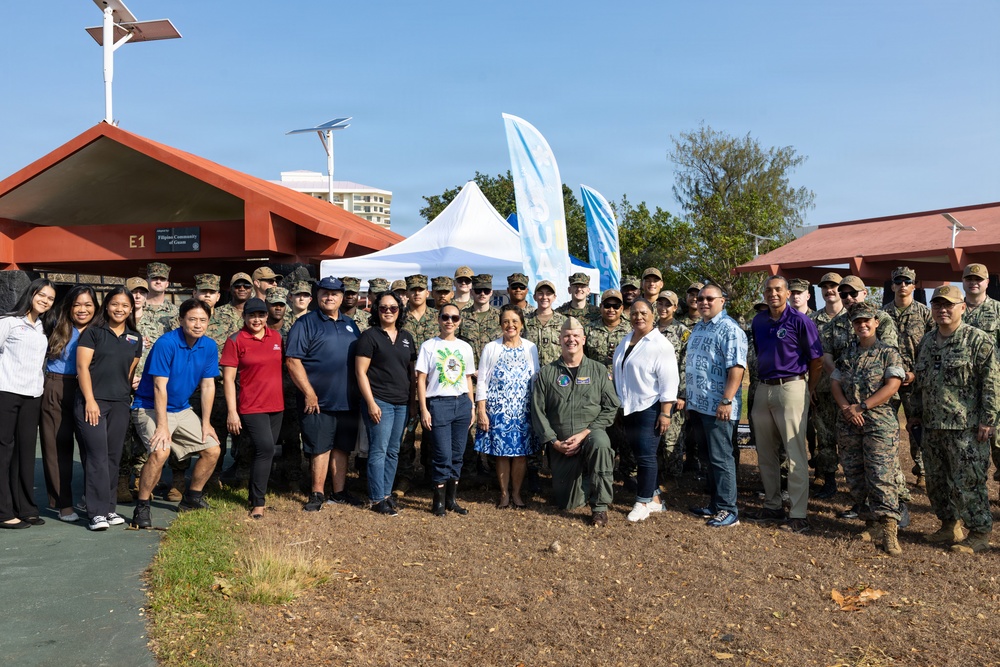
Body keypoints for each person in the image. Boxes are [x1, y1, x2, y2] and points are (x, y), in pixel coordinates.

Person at [909, 285, 1000, 554]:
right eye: (937, 305)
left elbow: (992, 383)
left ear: (962, 307)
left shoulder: (978, 340)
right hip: (933, 425)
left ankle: (980, 532)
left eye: (949, 305)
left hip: (966, 427)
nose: (942, 309)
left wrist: (988, 420)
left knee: (968, 482)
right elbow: (919, 383)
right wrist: (914, 413)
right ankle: (949, 524)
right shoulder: (926, 341)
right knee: (937, 482)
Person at [129, 299, 222, 529]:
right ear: (181, 320)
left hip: (182, 408)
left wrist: (207, 423)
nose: (198, 325)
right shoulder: (166, 343)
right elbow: (160, 386)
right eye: (192, 319)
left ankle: (192, 499)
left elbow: (208, 386)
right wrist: (162, 426)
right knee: (161, 452)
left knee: (213, 449)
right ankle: (141, 507)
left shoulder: (209, 346)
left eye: (203, 320)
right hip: (150, 406)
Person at [745, 276, 824, 533]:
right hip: (763, 387)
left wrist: (808, 389)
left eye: (778, 289)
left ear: (787, 293)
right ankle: (773, 506)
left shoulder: (800, 321)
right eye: (768, 290)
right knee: (765, 453)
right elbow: (759, 352)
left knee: (794, 453)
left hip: (792, 386)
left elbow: (816, 360)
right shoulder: (758, 321)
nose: (773, 294)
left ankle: (799, 514)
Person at [829, 302, 905, 555]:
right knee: (855, 473)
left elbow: (892, 385)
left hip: (878, 422)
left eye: (866, 321)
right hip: (849, 422)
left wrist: (862, 406)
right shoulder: (848, 354)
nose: (862, 325)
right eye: (857, 322)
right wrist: (846, 409)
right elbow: (835, 382)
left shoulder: (888, 352)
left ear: (875, 322)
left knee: (881, 476)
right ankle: (871, 523)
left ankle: (889, 531)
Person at [815, 275, 899, 500]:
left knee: (882, 459)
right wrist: (844, 385)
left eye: (853, 293)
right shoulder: (834, 325)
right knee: (852, 455)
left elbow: (888, 356)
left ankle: (896, 504)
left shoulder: (881, 318)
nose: (848, 298)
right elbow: (829, 358)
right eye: (844, 294)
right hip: (844, 396)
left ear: (864, 293)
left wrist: (862, 400)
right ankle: (861, 505)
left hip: (876, 399)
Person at [531, 318, 621, 526]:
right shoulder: (547, 373)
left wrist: (585, 434)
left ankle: (599, 507)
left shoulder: (598, 370)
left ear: (583, 339)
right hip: (563, 443)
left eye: (575, 336)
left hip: (590, 434)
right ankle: (587, 478)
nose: (571, 340)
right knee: (568, 502)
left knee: (601, 444)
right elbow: (538, 412)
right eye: (566, 336)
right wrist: (554, 443)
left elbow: (611, 406)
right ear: (560, 340)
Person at [286, 276, 363, 511]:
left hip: (347, 399)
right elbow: (292, 360)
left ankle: (339, 492)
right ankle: (317, 493)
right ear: (317, 295)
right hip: (317, 400)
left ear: (342, 297)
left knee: (342, 447)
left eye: (335, 293)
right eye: (325, 293)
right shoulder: (305, 323)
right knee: (319, 447)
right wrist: (309, 393)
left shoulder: (351, 323)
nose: (330, 297)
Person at [75, 286, 142, 531]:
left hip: (120, 404)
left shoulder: (135, 337)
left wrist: (123, 396)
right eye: (115, 304)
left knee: (114, 456)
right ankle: (95, 513)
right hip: (92, 403)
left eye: (125, 305)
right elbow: (82, 368)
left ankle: (109, 508)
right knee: (97, 456)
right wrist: (90, 401)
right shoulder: (93, 333)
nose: (120, 309)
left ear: (131, 309)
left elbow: (128, 372)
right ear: (107, 305)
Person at [612, 298, 679, 523]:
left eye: (643, 313)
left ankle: (642, 502)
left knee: (646, 456)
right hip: (629, 406)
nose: (638, 317)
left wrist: (665, 412)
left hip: (649, 406)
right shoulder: (627, 339)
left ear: (653, 315)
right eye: (634, 313)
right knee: (640, 453)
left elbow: (669, 381)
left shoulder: (660, 344)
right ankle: (656, 500)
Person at [685, 284, 747, 528]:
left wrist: (726, 400)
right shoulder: (699, 327)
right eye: (700, 298)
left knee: (722, 458)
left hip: (719, 406)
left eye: (710, 298)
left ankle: (728, 510)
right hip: (700, 405)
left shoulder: (730, 329)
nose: (704, 302)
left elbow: (737, 369)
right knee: (709, 457)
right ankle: (715, 503)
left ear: (723, 301)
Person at [0, 278, 56, 529]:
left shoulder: (43, 328)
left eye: (51, 298)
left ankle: (25, 507)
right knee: (3, 452)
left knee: (24, 454)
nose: (45, 300)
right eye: (41, 295)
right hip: (6, 393)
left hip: (33, 395)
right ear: (31, 294)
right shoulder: (9, 323)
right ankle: (3, 511)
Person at [221, 298, 284, 520]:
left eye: (260, 315)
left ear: (267, 316)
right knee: (266, 449)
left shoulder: (276, 337)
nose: (256, 319)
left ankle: (253, 495)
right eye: (251, 315)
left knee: (263, 452)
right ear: (244, 317)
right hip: (251, 405)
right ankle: (258, 503)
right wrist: (232, 411)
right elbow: (228, 380)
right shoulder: (235, 340)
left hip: (276, 405)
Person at [355, 292, 415, 516]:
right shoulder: (369, 337)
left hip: (401, 404)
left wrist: (412, 404)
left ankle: (387, 495)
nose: (388, 311)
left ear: (399, 310)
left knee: (393, 451)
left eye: (393, 307)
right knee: (378, 451)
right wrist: (370, 403)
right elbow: (360, 372)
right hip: (380, 401)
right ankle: (376, 498)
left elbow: (410, 373)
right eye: (383, 307)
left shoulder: (407, 336)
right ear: (376, 310)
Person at [475, 304, 540, 509]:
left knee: (520, 454)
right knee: (501, 453)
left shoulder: (531, 347)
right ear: (500, 324)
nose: (510, 325)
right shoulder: (491, 347)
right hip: (498, 411)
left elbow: (536, 378)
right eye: (506, 321)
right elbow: (482, 380)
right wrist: (481, 410)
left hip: (523, 411)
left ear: (521, 324)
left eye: (514, 321)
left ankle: (517, 494)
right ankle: (504, 495)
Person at [41, 284, 96, 521]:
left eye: (88, 304)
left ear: (96, 307)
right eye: (77, 305)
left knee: (92, 447)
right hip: (56, 385)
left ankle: (93, 498)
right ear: (69, 306)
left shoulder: (102, 330)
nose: (82, 310)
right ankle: (64, 503)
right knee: (57, 446)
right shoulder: (55, 325)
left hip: (91, 391)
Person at [416, 303, 476, 516]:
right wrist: (423, 408)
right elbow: (421, 379)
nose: (450, 321)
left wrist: (472, 406)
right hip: (439, 403)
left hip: (461, 403)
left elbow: (468, 378)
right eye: (445, 317)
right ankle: (438, 502)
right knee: (442, 454)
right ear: (438, 319)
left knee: (458, 454)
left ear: (459, 321)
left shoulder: (465, 347)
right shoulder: (429, 346)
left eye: (454, 318)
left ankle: (452, 499)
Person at [880, 266, 933, 488]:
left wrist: (916, 373)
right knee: (886, 428)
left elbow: (932, 348)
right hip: (887, 381)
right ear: (892, 286)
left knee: (917, 427)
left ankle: (922, 471)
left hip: (915, 381)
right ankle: (890, 474)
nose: (902, 285)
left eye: (907, 281)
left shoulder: (925, 313)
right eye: (898, 281)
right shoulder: (882, 314)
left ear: (914, 285)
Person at [395, 274, 439, 492]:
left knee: (433, 435)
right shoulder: (399, 318)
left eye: (421, 289)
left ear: (427, 292)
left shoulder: (439, 317)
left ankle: (432, 476)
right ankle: (404, 476)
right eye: (413, 289)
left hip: (435, 388)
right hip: (407, 387)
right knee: (406, 436)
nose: (417, 293)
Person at [960, 263, 1000, 480]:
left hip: (994, 388)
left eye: (978, 279)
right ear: (963, 281)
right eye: (969, 279)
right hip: (962, 391)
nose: (974, 283)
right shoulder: (955, 309)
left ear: (987, 282)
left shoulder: (998, 311)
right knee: (971, 447)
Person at [809, 272, 845, 507]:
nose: (830, 290)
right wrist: (808, 385)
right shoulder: (813, 320)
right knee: (825, 437)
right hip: (821, 389)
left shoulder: (853, 316)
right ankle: (829, 481)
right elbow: (807, 355)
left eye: (834, 286)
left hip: (849, 390)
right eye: (825, 287)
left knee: (850, 438)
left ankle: (855, 484)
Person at [655, 290, 691, 479]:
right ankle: (657, 477)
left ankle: (674, 480)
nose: (663, 308)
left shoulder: (682, 332)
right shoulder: (649, 329)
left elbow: (685, 363)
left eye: (667, 304)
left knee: (671, 441)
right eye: (660, 304)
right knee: (655, 438)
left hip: (672, 393)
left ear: (675, 308)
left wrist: (682, 394)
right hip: (652, 392)